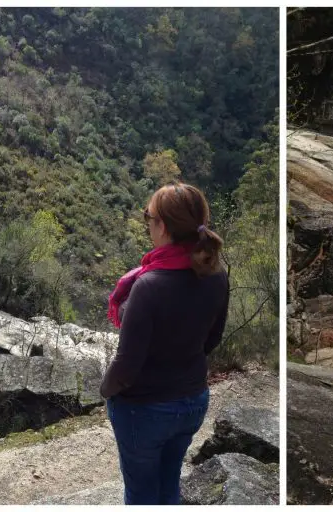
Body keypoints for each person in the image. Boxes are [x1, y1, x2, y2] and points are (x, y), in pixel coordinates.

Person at [100, 182, 229, 505]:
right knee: (168, 485)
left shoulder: (148, 286)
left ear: (164, 226)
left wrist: (105, 390)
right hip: (193, 402)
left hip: (144, 410)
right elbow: (212, 339)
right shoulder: (216, 275)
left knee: (141, 495)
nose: (147, 223)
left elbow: (126, 366)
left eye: (149, 216)